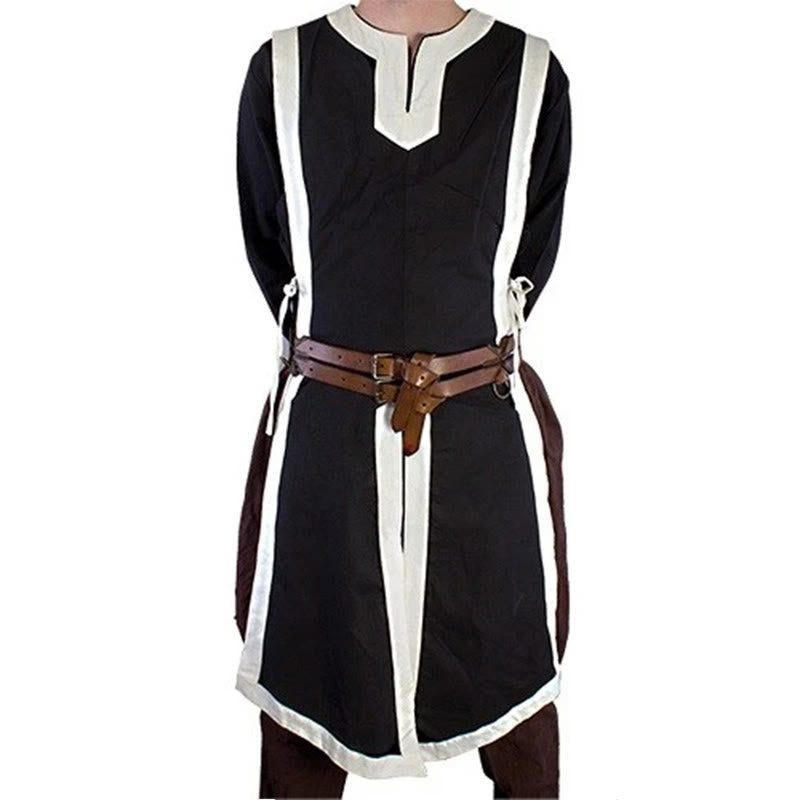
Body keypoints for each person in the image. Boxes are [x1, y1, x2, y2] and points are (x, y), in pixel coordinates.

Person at [234, 1, 572, 797]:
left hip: (482, 442)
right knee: (307, 700)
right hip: (327, 443)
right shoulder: (283, 68)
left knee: (516, 707)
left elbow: (527, 258)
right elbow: (276, 254)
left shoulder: (529, 72)